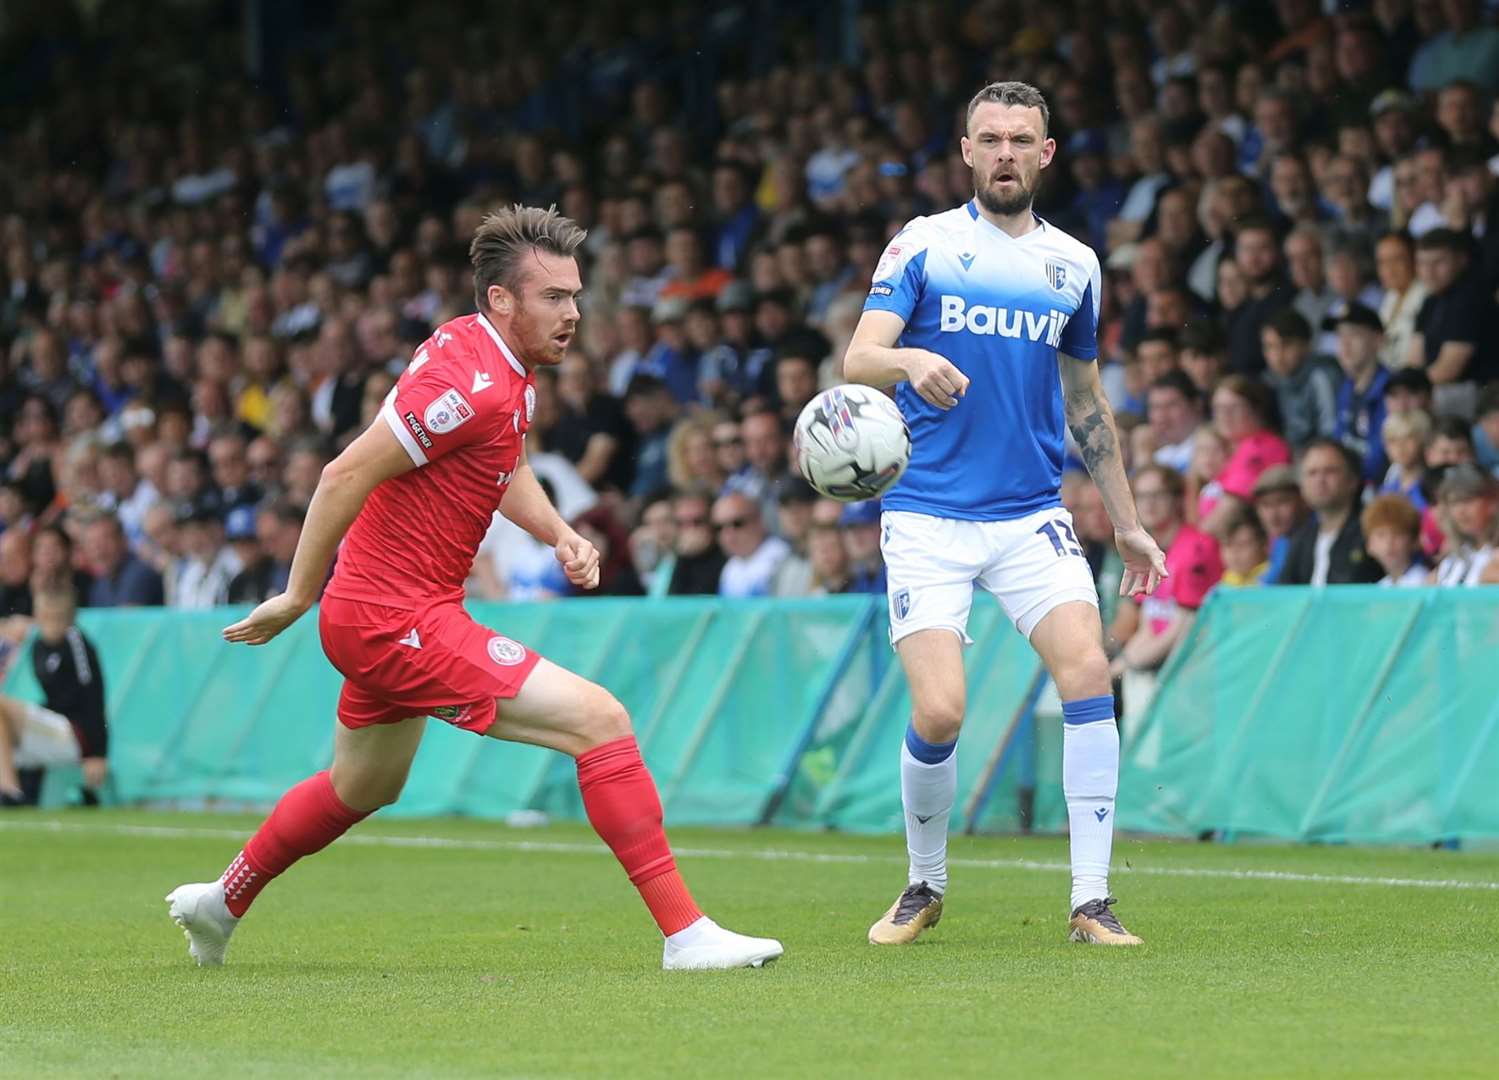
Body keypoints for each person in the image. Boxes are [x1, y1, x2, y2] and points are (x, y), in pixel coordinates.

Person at [165, 206, 781, 972]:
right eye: (554, 296)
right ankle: (687, 935)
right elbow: (342, 473)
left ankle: (220, 901)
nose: (573, 313)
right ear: (501, 300)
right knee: (600, 721)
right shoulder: (475, 383)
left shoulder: (490, 362)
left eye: (575, 294)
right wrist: (296, 595)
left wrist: (557, 532)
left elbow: (501, 464)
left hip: (387, 610)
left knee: (361, 786)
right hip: (391, 614)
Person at [843, 82, 1166, 948]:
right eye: (989, 139)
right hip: (925, 513)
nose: (1005, 153)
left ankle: (1091, 901)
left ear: (1045, 154)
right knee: (942, 712)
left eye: (1021, 140)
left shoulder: (1075, 266)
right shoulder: (923, 245)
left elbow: (1087, 403)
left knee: (1088, 673)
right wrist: (910, 359)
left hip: (1030, 515)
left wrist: (1126, 520)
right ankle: (923, 882)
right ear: (965, 151)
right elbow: (858, 356)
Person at [0, 588, 107, 806]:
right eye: (46, 616)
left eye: (58, 617)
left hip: (75, 734)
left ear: (69, 618)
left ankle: (10, 791)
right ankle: (11, 789)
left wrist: (98, 753)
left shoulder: (75, 640)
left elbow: (93, 697)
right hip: (53, 725)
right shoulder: (38, 646)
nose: (52, 623)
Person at [1273, 439, 1383, 585]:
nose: (1320, 480)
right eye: (1312, 473)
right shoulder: (1301, 539)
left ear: (1352, 480)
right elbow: (1284, 595)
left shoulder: (1374, 530)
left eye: (1330, 471)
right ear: (1302, 485)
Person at [1360, 494, 1428, 586]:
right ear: (1369, 545)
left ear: (1414, 541)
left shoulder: (1423, 580)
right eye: (1381, 535)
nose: (1389, 542)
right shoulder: (1381, 586)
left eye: (1398, 534)